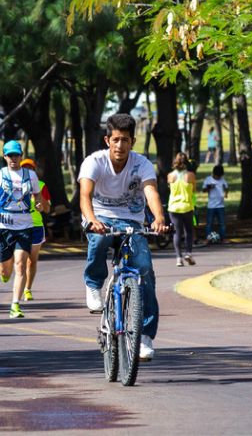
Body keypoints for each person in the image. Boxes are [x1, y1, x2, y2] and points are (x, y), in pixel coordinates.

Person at [78, 113, 168, 362]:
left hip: (131, 221)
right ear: (108, 140)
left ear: (133, 141)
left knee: (145, 271)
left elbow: (151, 192)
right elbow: (85, 195)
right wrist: (93, 220)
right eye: (116, 139)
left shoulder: (142, 164)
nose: (120, 145)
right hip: (101, 219)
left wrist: (158, 218)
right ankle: (94, 284)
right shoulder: (94, 162)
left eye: (125, 140)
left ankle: (145, 337)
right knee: (99, 240)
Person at [0, 140, 44, 318]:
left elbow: (36, 193)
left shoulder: (30, 175)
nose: (13, 159)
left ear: (21, 156)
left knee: (20, 264)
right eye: (10, 155)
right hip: (2, 225)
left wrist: (39, 202)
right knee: (5, 270)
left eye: (16, 155)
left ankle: (15, 305)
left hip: (25, 224)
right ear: (4, 157)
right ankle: (3, 271)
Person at [19, 158, 51, 301]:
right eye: (24, 168)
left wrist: (39, 200)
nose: (27, 171)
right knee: (21, 260)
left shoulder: (41, 185)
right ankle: (19, 286)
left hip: (36, 226)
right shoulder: (14, 185)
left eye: (30, 168)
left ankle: (27, 289)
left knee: (31, 261)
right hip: (18, 226)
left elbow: (47, 209)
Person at [167, 152, 197, 267]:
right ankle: (188, 253)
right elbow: (193, 189)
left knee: (177, 232)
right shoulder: (190, 175)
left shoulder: (170, 176)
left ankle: (178, 258)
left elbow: (170, 189)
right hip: (187, 205)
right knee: (188, 231)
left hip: (174, 207)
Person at [202, 164, 229, 243]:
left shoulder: (222, 180)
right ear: (213, 174)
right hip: (211, 206)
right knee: (209, 223)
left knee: (222, 223)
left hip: (221, 205)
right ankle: (207, 238)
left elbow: (226, 187)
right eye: (217, 176)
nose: (218, 178)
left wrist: (226, 193)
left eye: (219, 176)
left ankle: (223, 238)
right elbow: (203, 190)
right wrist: (209, 187)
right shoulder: (208, 179)